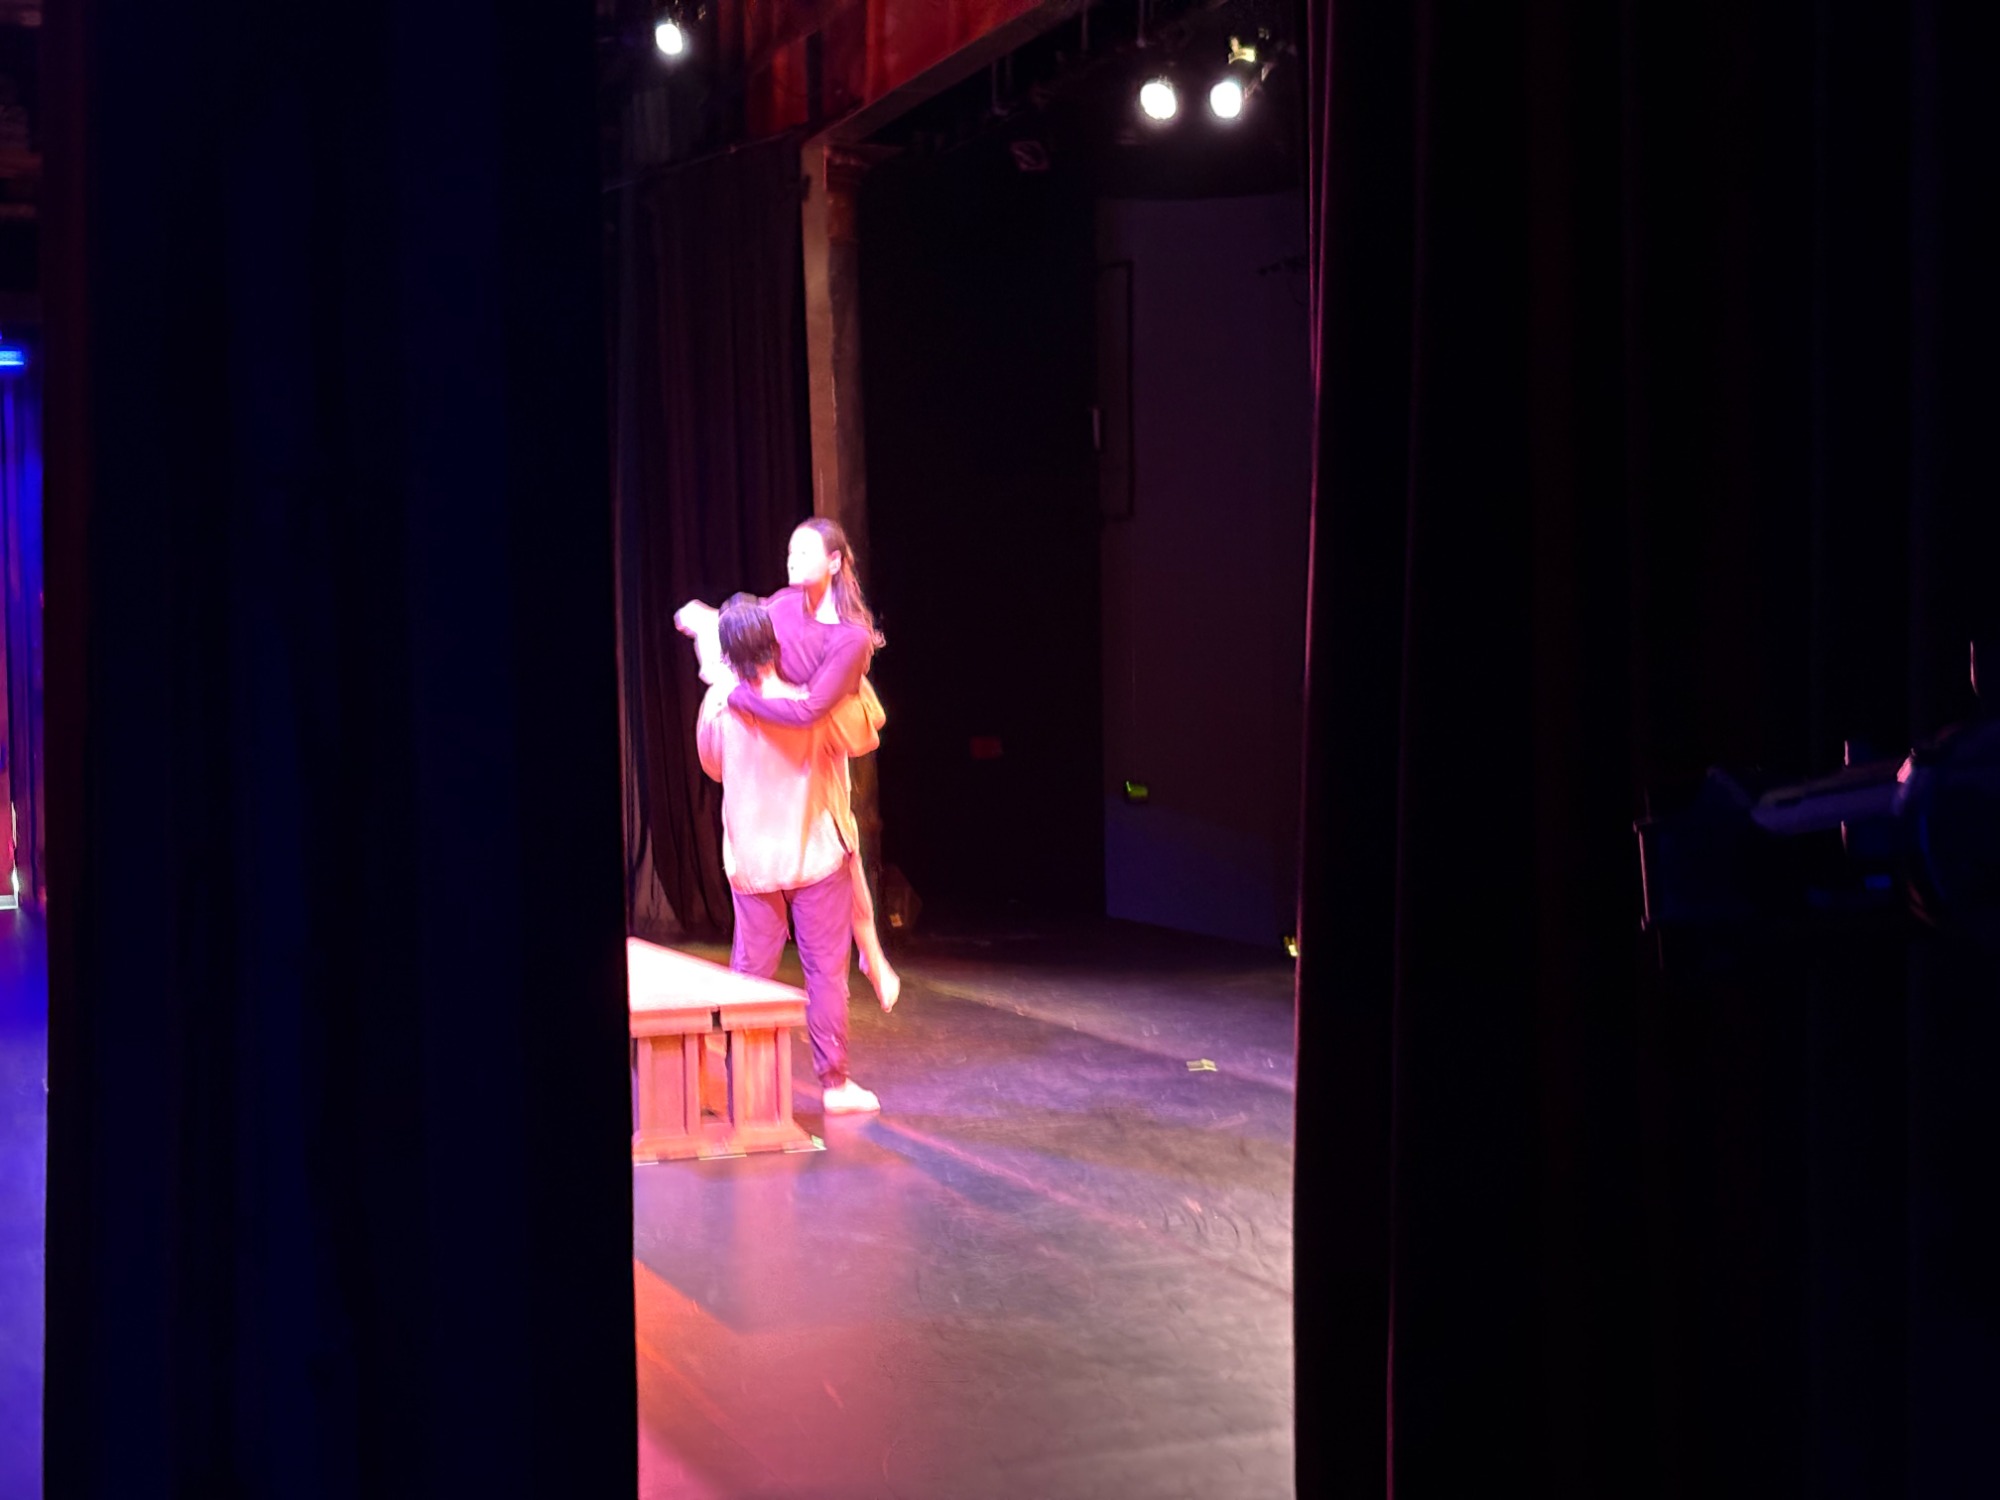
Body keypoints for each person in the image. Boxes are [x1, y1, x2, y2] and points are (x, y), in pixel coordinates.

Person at [677, 516, 902, 1010]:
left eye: (804, 552)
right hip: (789, 722)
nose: (791, 560)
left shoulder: (848, 636)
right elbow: (746, 629)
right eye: (790, 552)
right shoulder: (781, 605)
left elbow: (811, 711)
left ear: (835, 562)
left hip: (818, 717)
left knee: (840, 842)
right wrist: (709, 625)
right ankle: (870, 954)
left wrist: (741, 698)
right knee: (839, 844)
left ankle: (871, 952)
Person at [695, 594, 883, 1114]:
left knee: (750, 977)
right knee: (825, 974)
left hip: (755, 864)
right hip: (815, 858)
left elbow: (713, 767)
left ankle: (742, 1090)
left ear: (728, 655)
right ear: (776, 643)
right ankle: (835, 1084)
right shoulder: (809, 699)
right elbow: (864, 733)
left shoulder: (719, 704)